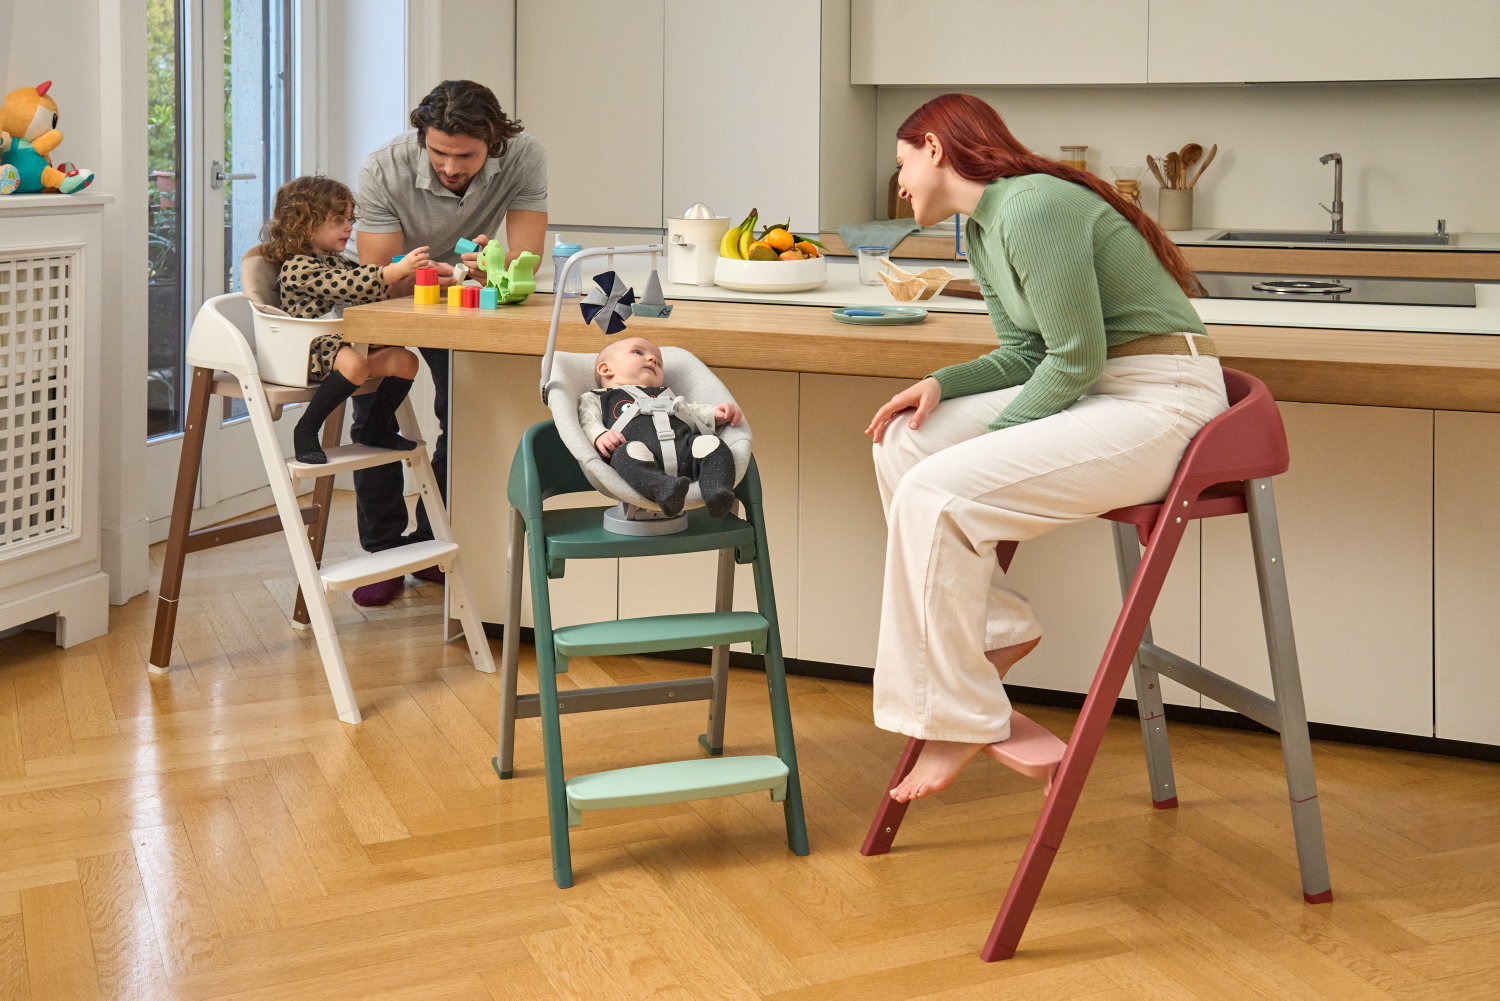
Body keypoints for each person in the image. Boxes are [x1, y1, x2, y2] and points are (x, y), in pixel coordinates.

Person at [864, 94, 1229, 803]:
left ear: (934, 147)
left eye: (901, 162)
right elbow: (1027, 354)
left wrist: (995, 443)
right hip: (1100, 388)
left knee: (939, 488)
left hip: (1163, 399)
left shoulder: (1033, 206)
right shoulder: (980, 230)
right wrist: (941, 383)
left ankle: (959, 716)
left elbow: (1075, 358)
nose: (899, 183)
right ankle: (999, 627)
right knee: (907, 444)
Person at [350, 79, 548, 605]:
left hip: (460, 295)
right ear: (423, 138)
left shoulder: (524, 156)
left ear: (495, 143)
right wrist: (436, 274)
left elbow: (526, 261)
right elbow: (378, 276)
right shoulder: (383, 167)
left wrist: (488, 266)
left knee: (461, 416)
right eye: (438, 152)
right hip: (386, 295)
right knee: (374, 423)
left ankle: (430, 544)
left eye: (466, 156)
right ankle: (383, 553)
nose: (450, 167)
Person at [258, 176, 428, 465]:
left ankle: (376, 428)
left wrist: (397, 280)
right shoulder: (297, 267)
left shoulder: (338, 262)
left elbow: (359, 291)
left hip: (342, 344)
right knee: (355, 365)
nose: (349, 227)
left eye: (349, 219)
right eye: (338, 221)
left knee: (405, 361)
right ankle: (306, 430)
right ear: (305, 225)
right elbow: (345, 285)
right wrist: (391, 272)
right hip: (310, 349)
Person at [580, 336, 742, 518]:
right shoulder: (598, 398)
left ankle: (717, 491)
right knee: (623, 454)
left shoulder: (668, 396)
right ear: (606, 369)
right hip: (640, 456)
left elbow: (692, 410)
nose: (653, 359)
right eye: (638, 352)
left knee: (713, 444)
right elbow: (587, 420)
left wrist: (716, 414)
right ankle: (664, 490)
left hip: (687, 453)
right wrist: (600, 435)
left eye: (659, 362)